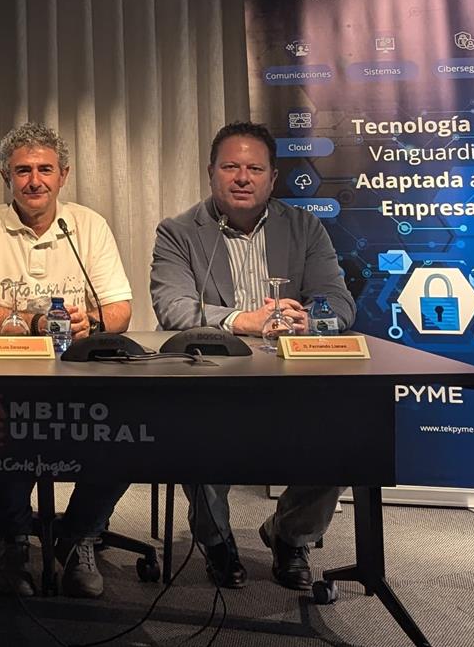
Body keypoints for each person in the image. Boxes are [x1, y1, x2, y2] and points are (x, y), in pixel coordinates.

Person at [150, 120, 356, 591]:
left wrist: (310, 319)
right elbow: (173, 308)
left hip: (294, 377)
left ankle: (290, 534)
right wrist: (243, 320)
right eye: (230, 167)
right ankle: (216, 539)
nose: (242, 178)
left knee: (348, 434)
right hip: (212, 376)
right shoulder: (178, 232)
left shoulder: (304, 228)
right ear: (211, 173)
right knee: (191, 428)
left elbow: (340, 303)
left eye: (255, 169)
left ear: (272, 177)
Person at [0, 122, 134, 599]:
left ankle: (79, 536)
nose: (34, 181)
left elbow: (120, 309)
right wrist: (35, 323)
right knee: (4, 426)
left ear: (63, 176)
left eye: (45, 170)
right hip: (11, 369)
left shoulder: (88, 225)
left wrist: (89, 321)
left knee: (131, 428)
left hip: (82, 372)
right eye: (22, 171)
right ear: (6, 177)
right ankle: (14, 539)